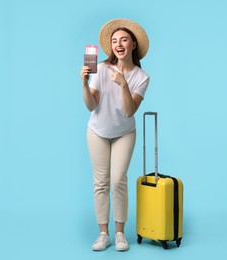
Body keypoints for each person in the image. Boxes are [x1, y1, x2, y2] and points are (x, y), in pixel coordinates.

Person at [80, 18, 150, 251]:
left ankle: (120, 234)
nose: (118, 44)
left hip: (124, 133)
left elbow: (130, 111)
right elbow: (91, 106)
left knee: (119, 180)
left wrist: (123, 84)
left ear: (132, 45)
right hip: (98, 132)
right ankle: (103, 234)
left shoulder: (141, 77)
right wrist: (84, 82)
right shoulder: (100, 68)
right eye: (114, 41)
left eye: (124, 40)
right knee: (101, 182)